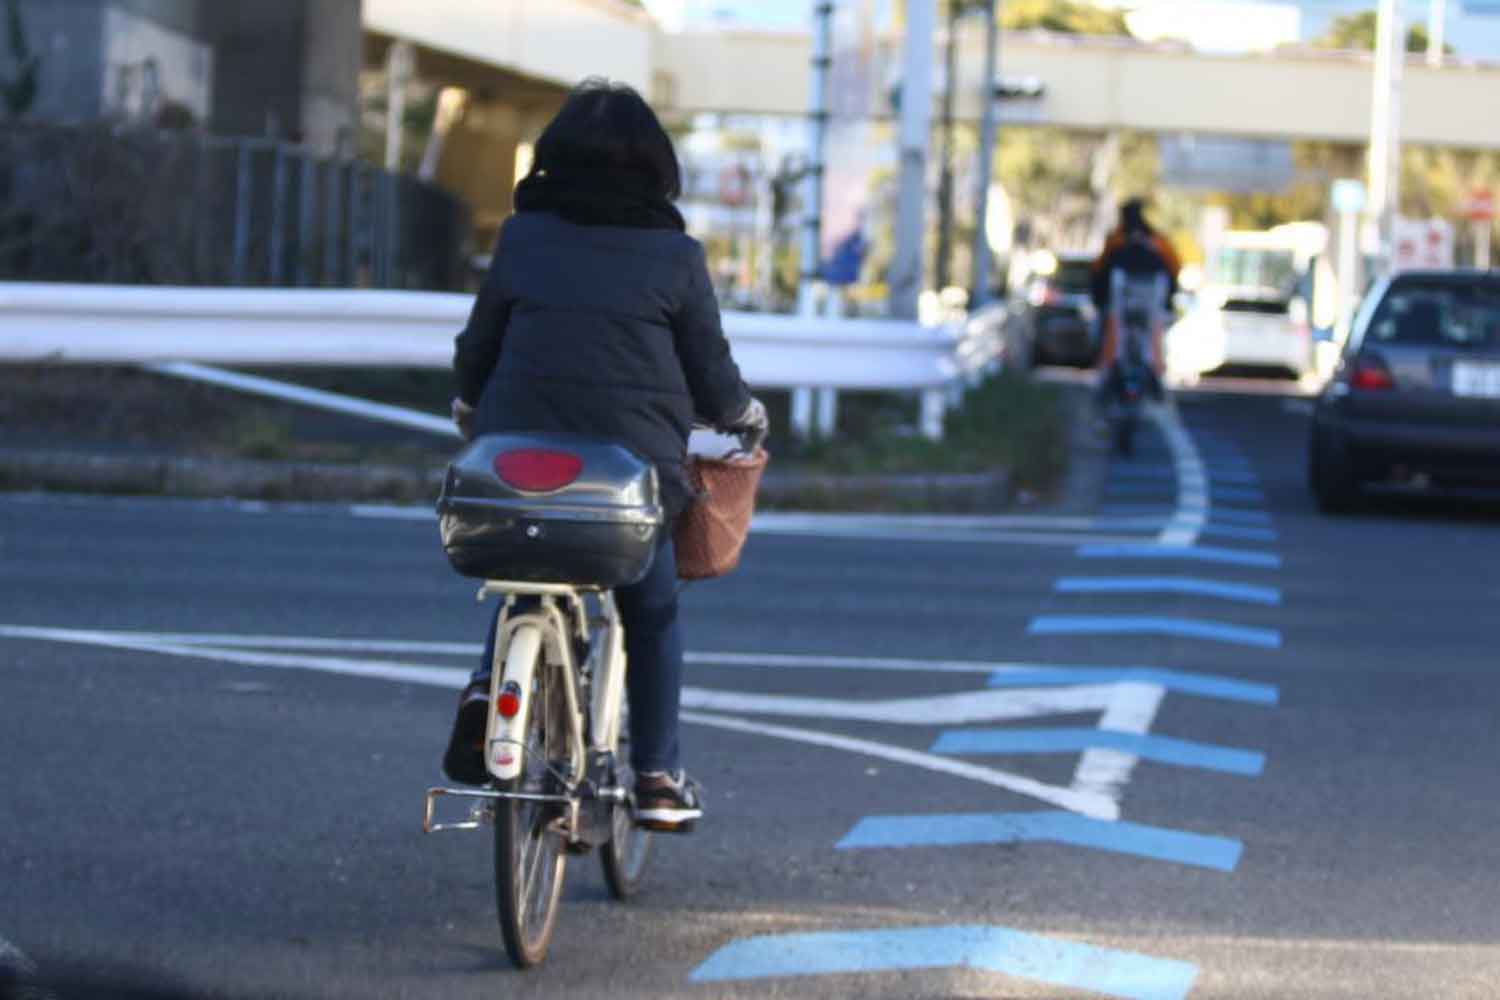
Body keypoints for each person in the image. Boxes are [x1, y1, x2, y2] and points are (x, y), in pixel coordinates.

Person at [442, 79, 768, 832]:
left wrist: (471, 404)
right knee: (651, 611)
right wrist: (745, 417)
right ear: (656, 168)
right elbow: (712, 381)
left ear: (551, 161)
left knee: (524, 560)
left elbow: (478, 349)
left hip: (512, 464)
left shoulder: (522, 239)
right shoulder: (675, 257)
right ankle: (655, 775)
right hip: (628, 483)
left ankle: (487, 691)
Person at [1090, 198, 1180, 388]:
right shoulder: (1158, 242)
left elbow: (1098, 272)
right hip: (1146, 306)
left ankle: (1110, 373)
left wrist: (1098, 300)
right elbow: (1174, 269)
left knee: (1115, 330)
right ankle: (1154, 374)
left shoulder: (1116, 241)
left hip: (1126, 306)